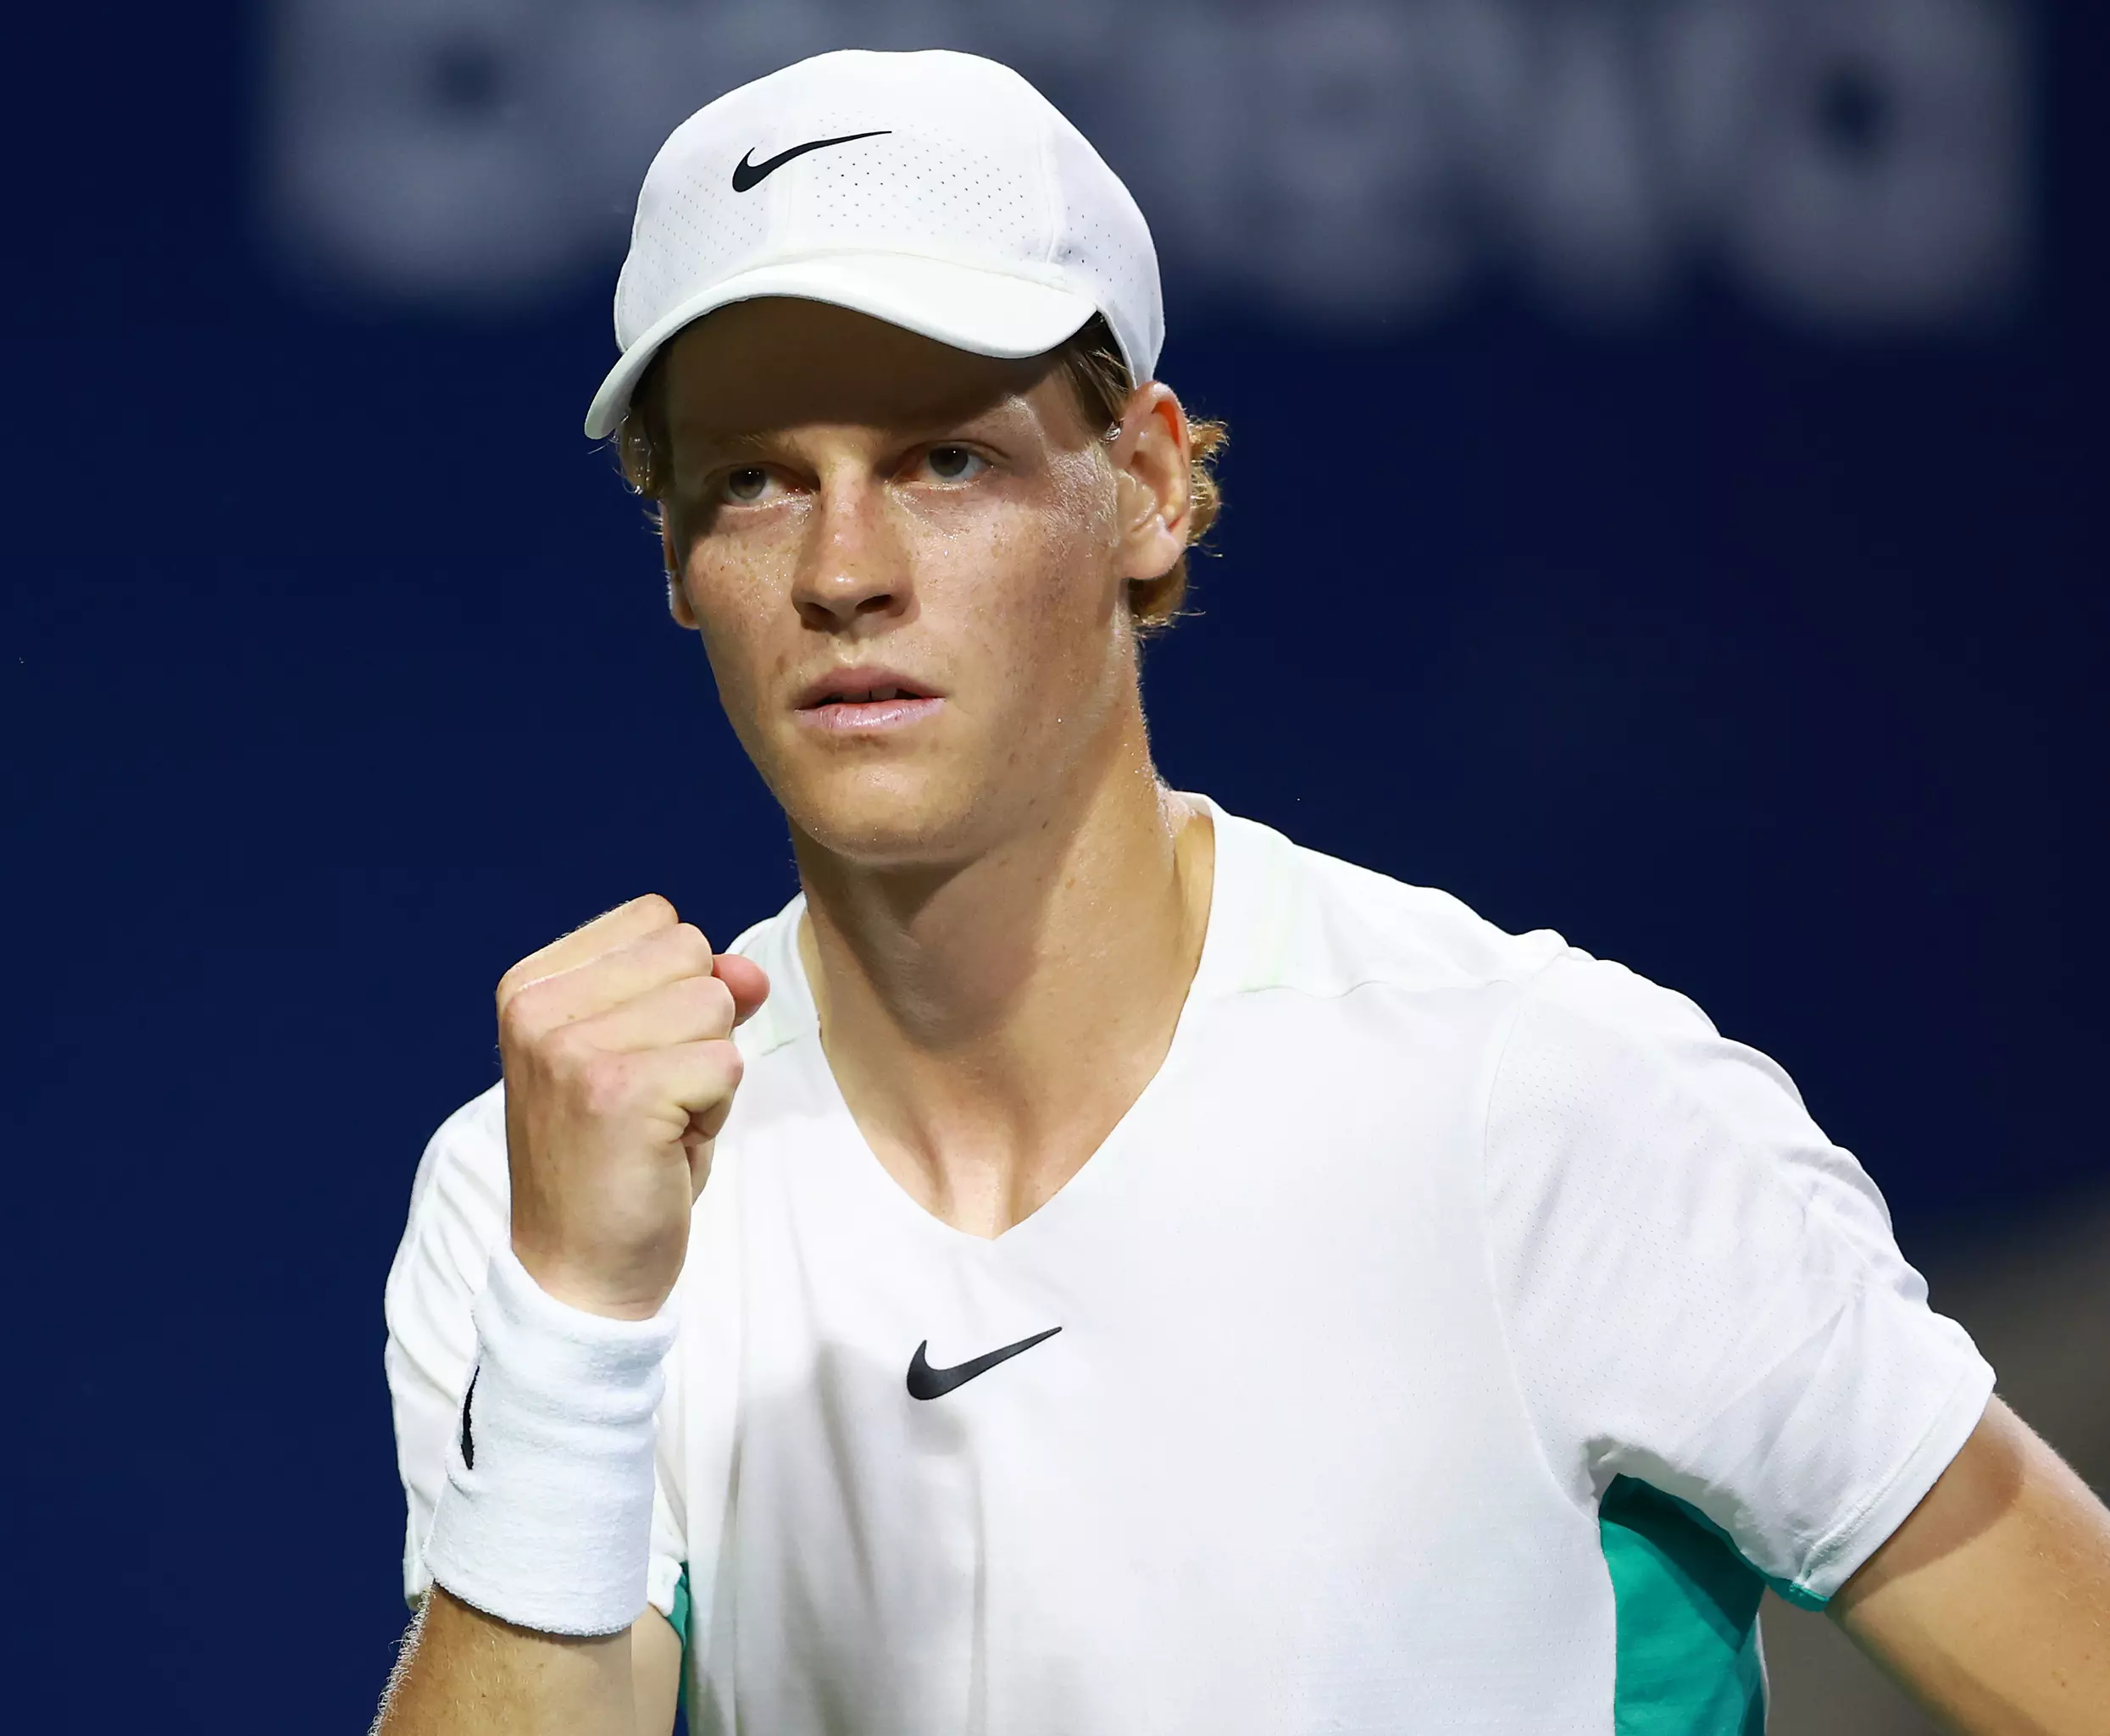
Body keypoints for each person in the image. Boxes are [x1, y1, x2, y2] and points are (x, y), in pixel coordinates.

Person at [371, 47, 2110, 1736]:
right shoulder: (552, 1209)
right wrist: (577, 1316)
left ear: (1141, 484)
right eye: (753, 480)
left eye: (943, 461)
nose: (842, 571)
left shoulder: (1546, 1103)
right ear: (676, 559)